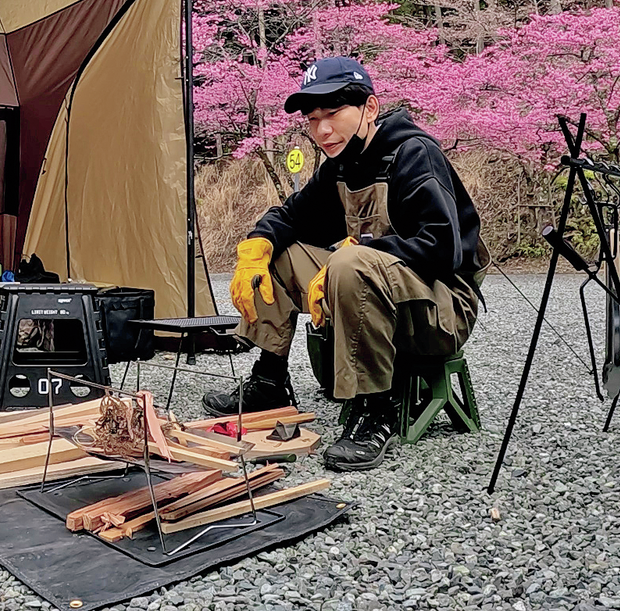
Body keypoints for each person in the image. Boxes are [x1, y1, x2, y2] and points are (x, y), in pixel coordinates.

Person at [201, 56, 487, 472]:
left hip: (441, 310)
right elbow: (292, 217)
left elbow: (444, 247)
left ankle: (376, 410)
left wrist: (356, 255)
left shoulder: (413, 153)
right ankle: (269, 380)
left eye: (333, 114)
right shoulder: (341, 166)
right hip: (382, 293)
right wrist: (257, 244)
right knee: (280, 253)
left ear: (369, 108)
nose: (322, 130)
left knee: (350, 261)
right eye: (313, 119)